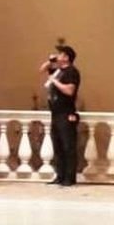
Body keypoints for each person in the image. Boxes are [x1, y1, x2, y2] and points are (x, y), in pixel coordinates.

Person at [40, 45, 81, 187]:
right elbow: (42, 69)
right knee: (57, 146)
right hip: (56, 113)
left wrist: (54, 81)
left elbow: (69, 91)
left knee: (68, 146)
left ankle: (69, 178)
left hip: (66, 113)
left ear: (67, 57)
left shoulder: (72, 72)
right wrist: (50, 60)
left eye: (61, 54)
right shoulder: (58, 71)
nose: (58, 56)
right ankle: (60, 176)